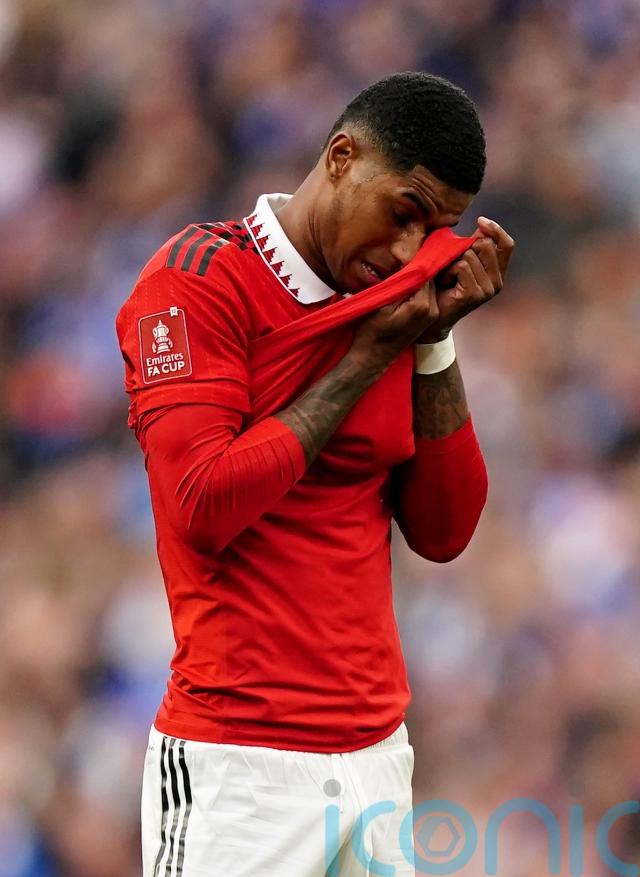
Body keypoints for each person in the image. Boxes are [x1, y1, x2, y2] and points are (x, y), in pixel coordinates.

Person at [116, 71, 514, 877]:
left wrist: (432, 342)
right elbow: (202, 504)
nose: (407, 249)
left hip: (377, 756)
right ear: (341, 157)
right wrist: (367, 357)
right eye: (402, 211)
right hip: (240, 768)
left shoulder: (393, 303)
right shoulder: (195, 279)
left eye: (434, 229)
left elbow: (444, 532)